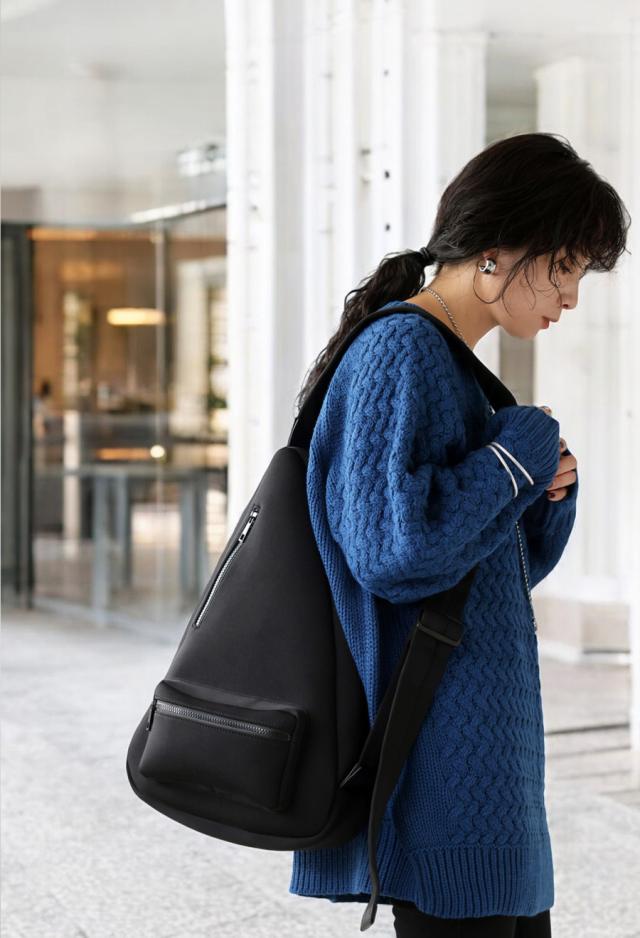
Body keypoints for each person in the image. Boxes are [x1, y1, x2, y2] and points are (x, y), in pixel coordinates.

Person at [288, 132, 630, 936]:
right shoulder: (400, 349)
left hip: (484, 767)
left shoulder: (455, 367)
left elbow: (485, 575)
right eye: (565, 267)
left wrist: (541, 492)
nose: (571, 297)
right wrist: (514, 457)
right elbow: (391, 554)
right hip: (441, 766)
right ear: (496, 250)